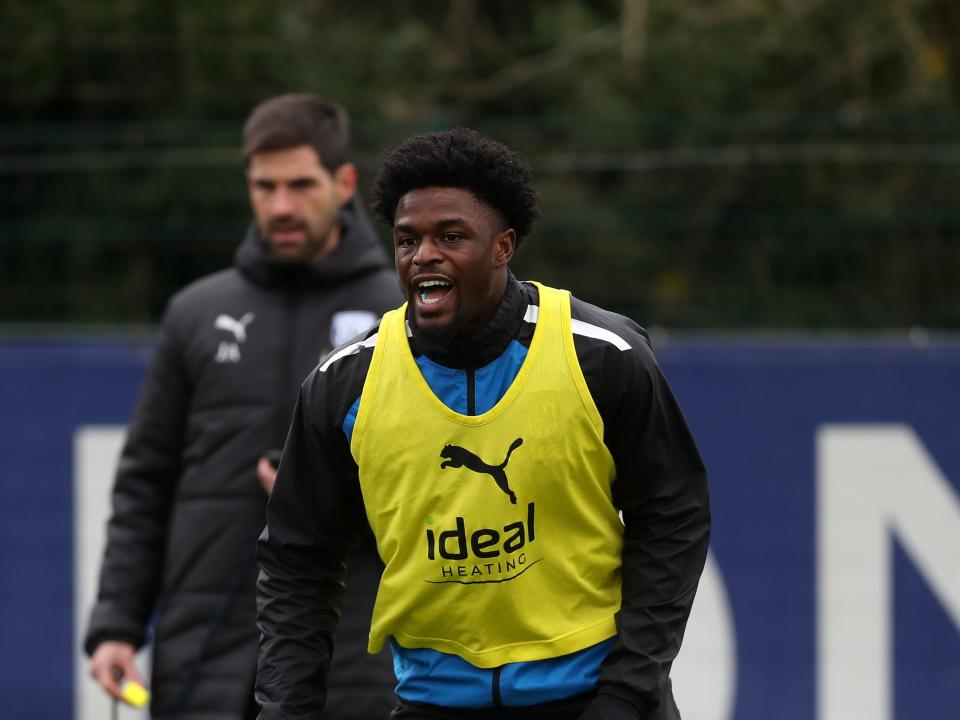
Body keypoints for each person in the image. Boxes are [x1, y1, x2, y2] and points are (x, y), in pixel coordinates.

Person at [256, 127, 711, 720]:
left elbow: (673, 515)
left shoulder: (602, 356)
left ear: (503, 246)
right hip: (433, 703)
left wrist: (628, 690)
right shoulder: (345, 384)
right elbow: (297, 559)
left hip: (599, 699)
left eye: (450, 236)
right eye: (407, 239)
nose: (423, 256)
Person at [85, 94, 401, 719]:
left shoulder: (405, 314)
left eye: (300, 185)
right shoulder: (195, 313)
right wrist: (117, 622)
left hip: (353, 663)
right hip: (207, 657)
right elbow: (146, 480)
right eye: (265, 186)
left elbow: (448, 486)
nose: (281, 206)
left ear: (343, 184)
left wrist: (331, 495)